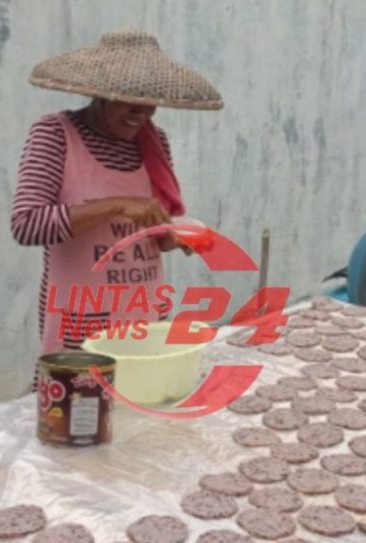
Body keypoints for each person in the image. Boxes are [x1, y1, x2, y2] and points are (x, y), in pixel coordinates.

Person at [11, 28, 222, 359]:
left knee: (147, 388)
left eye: (150, 103)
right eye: (129, 101)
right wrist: (117, 206)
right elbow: (27, 225)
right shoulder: (55, 134)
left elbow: (153, 231)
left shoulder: (154, 142)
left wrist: (178, 238)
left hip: (145, 317)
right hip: (83, 324)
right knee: (84, 392)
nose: (141, 114)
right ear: (101, 93)